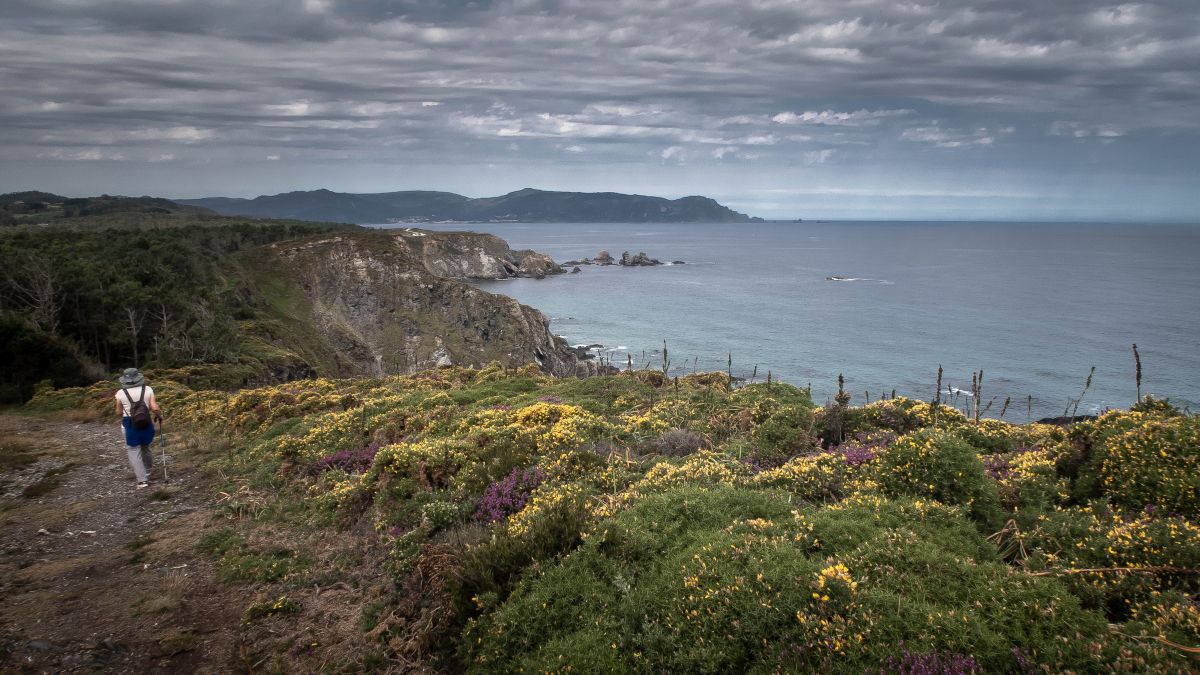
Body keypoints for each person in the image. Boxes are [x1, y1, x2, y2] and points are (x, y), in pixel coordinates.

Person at [113, 368, 163, 488]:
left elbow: (118, 411)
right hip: (146, 422)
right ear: (138, 378)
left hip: (129, 423)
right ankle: (148, 468)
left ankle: (142, 480)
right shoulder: (147, 389)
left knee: (133, 450)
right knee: (145, 446)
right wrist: (160, 416)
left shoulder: (120, 393)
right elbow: (154, 408)